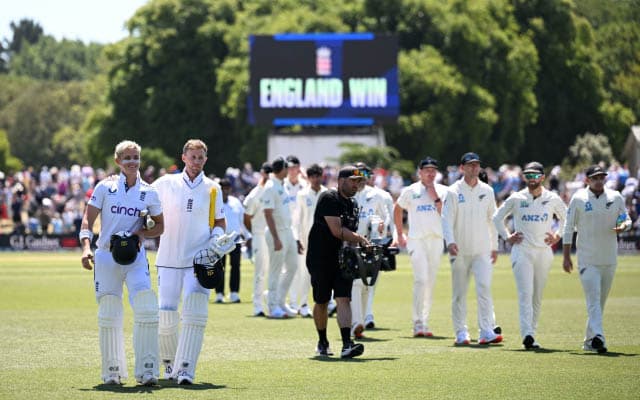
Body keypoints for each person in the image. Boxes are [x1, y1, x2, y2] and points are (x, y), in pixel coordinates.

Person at [80, 140, 164, 386]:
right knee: (108, 311)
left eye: (135, 157)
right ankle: (112, 372)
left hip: (136, 257)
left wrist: (141, 235)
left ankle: (147, 371)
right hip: (106, 256)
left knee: (147, 308)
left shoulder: (149, 191)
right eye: (126, 158)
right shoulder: (105, 188)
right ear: (118, 161)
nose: (132, 162)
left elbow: (161, 226)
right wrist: (86, 248)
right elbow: (88, 219)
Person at [152, 139, 226, 384]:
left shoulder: (213, 188)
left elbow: (219, 222)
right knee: (166, 315)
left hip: (199, 262)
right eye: (192, 157)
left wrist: (216, 239)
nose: (196, 162)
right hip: (168, 259)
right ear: (183, 157)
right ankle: (169, 365)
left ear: (206, 159)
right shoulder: (165, 183)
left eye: (201, 158)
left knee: (195, 314)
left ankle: (186, 370)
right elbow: (142, 200)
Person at [492, 162, 567, 349]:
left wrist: (557, 235)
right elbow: (496, 218)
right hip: (522, 251)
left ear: (543, 177)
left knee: (537, 296)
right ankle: (528, 335)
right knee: (525, 293)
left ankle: (531, 333)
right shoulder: (517, 198)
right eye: (528, 175)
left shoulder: (553, 198)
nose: (531, 179)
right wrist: (507, 237)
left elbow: (568, 218)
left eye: (535, 176)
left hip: (544, 252)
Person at [562, 164, 631, 354]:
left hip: (609, 258)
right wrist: (566, 256)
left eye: (602, 177)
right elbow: (568, 228)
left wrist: (624, 226)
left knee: (599, 304)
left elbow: (626, 218)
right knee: (593, 301)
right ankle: (599, 337)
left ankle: (589, 341)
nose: (599, 181)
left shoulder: (615, 197)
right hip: (587, 259)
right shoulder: (579, 199)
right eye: (595, 178)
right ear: (587, 180)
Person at [307, 166, 369, 358]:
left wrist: (363, 248)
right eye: (352, 181)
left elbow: (348, 235)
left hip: (342, 259)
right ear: (340, 180)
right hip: (321, 258)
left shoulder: (353, 204)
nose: (356, 185)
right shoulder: (329, 198)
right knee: (322, 301)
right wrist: (361, 239)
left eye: (359, 182)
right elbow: (337, 230)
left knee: (344, 298)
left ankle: (346, 344)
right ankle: (322, 340)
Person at [441, 152, 502, 346]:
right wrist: (450, 242)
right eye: (470, 165)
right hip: (459, 251)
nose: (474, 168)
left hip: (482, 249)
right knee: (459, 292)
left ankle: (486, 331)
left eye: (476, 165)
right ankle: (461, 332)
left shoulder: (487, 190)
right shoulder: (452, 191)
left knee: (484, 289)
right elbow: (446, 220)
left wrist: (494, 246)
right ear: (462, 168)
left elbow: (493, 220)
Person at [394, 157, 449, 337]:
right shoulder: (411, 190)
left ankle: (424, 321)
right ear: (420, 172)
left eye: (433, 170)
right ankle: (417, 322)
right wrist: (400, 233)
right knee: (421, 279)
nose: (431, 173)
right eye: (427, 170)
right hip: (417, 240)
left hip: (436, 239)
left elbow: (447, 215)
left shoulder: (444, 191)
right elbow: (398, 208)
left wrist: (436, 199)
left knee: (430, 281)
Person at [351, 162, 389, 338]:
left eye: (365, 175)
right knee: (355, 284)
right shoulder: (346, 194)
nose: (361, 179)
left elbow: (383, 216)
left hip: (370, 244)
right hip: (349, 244)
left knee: (367, 285)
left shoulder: (376, 196)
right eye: (358, 175)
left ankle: (362, 319)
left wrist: (381, 224)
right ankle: (356, 323)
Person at [263, 156, 300, 318]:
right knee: (275, 270)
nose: (289, 171)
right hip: (276, 233)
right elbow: (268, 214)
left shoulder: (282, 185)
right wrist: (276, 238)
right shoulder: (270, 187)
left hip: (288, 231)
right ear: (283, 169)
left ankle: (280, 301)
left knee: (292, 266)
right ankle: (272, 307)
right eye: (287, 168)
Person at [292, 163, 327, 317]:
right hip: (306, 240)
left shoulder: (327, 193)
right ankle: (303, 304)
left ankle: (327, 303)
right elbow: (297, 219)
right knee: (305, 273)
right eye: (312, 176)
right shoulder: (302, 194)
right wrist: (297, 238)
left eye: (318, 176)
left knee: (325, 273)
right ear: (309, 177)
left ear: (321, 176)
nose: (315, 179)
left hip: (325, 240)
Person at [214, 178, 250, 304]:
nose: (225, 191)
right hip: (220, 239)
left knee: (235, 266)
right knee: (219, 266)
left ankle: (234, 293)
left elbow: (241, 222)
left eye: (227, 188)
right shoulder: (214, 203)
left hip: (235, 239)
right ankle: (219, 294)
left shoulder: (236, 202)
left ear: (230, 189)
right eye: (223, 189)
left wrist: (248, 236)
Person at [243, 162, 272, 316]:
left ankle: (270, 298)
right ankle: (258, 306)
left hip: (274, 235)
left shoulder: (276, 190)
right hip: (260, 234)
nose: (268, 176)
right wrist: (254, 232)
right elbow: (246, 217)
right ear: (262, 174)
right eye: (266, 173)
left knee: (277, 270)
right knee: (260, 271)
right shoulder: (256, 193)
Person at [284, 155, 308, 314]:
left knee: (303, 270)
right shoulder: (282, 185)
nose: (293, 171)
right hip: (285, 231)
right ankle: (292, 302)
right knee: (289, 269)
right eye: (290, 168)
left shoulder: (305, 186)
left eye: (295, 167)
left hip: (302, 233)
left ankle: (303, 303)